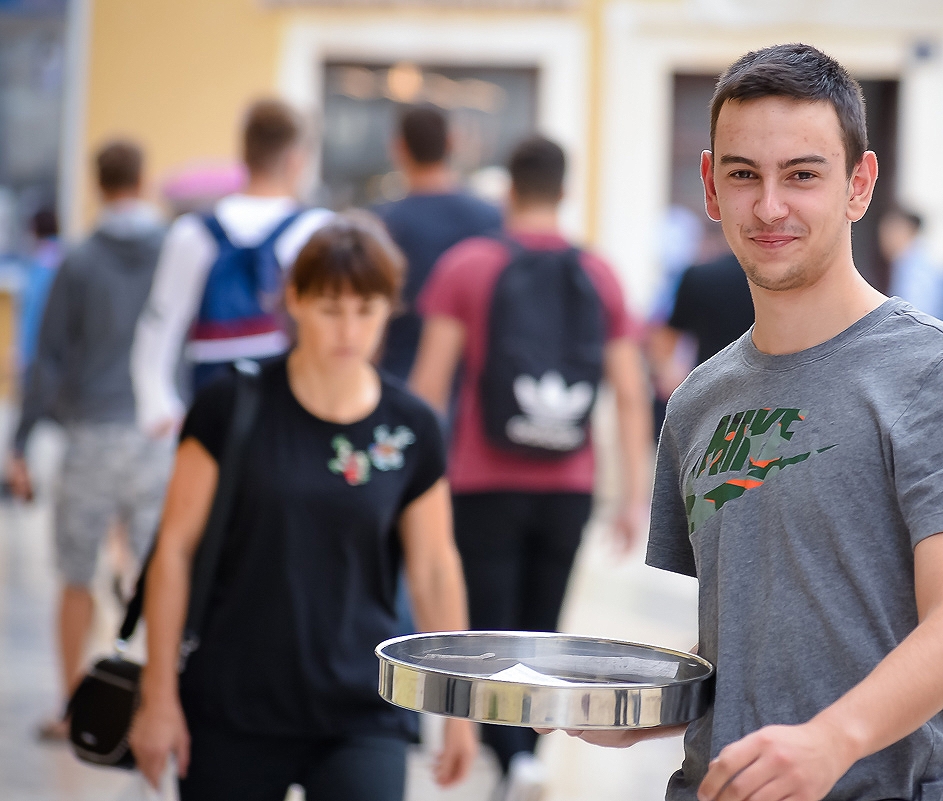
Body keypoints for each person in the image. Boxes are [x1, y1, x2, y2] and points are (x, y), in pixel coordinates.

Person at [558, 43, 943, 801]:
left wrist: (832, 741)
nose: (770, 206)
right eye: (744, 174)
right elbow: (749, 639)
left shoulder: (942, 374)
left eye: (802, 175)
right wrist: (642, 703)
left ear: (859, 185)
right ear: (711, 186)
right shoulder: (698, 400)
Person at [129, 213, 476, 800]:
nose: (349, 329)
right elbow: (174, 551)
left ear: (389, 309)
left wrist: (458, 705)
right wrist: (158, 696)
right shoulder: (229, 407)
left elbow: (434, 568)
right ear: (294, 299)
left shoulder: (411, 427)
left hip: (364, 706)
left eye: (366, 310)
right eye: (330, 308)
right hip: (231, 703)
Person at [408, 135, 652, 798]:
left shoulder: (468, 265)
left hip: (481, 480)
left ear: (509, 191)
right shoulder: (599, 273)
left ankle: (512, 758)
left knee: (487, 628)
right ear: (564, 191)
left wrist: (410, 490)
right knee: (542, 628)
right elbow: (630, 393)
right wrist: (633, 496)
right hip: (569, 484)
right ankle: (526, 758)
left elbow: (427, 390)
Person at [5, 140, 171, 739]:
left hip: (91, 435)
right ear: (143, 179)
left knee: (77, 575)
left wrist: (21, 440)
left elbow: (46, 358)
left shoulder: (77, 261)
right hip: (157, 433)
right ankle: (160, 699)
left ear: (98, 185)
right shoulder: (174, 253)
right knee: (162, 572)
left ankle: (71, 705)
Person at [131, 98, 333, 437]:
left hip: (210, 405)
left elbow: (158, 323)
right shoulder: (317, 230)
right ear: (296, 160)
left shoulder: (192, 231)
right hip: (291, 409)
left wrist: (159, 408)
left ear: (245, 154)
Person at [373, 104, 503, 381]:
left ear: (398, 148)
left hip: (399, 374)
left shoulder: (381, 223)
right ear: (452, 142)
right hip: (475, 377)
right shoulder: (493, 219)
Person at [646, 252, 754, 420]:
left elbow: (668, 336)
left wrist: (666, 374)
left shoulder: (700, 276)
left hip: (708, 390)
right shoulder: (782, 284)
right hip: (763, 388)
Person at [880, 206, 943, 321]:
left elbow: (916, 315)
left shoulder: (916, 268)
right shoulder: (910, 262)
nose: (884, 239)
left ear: (908, 231)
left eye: (889, 232)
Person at [16, 208, 63, 374]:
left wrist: (24, 352)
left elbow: (34, 309)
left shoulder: (42, 262)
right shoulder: (65, 255)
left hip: (41, 350)